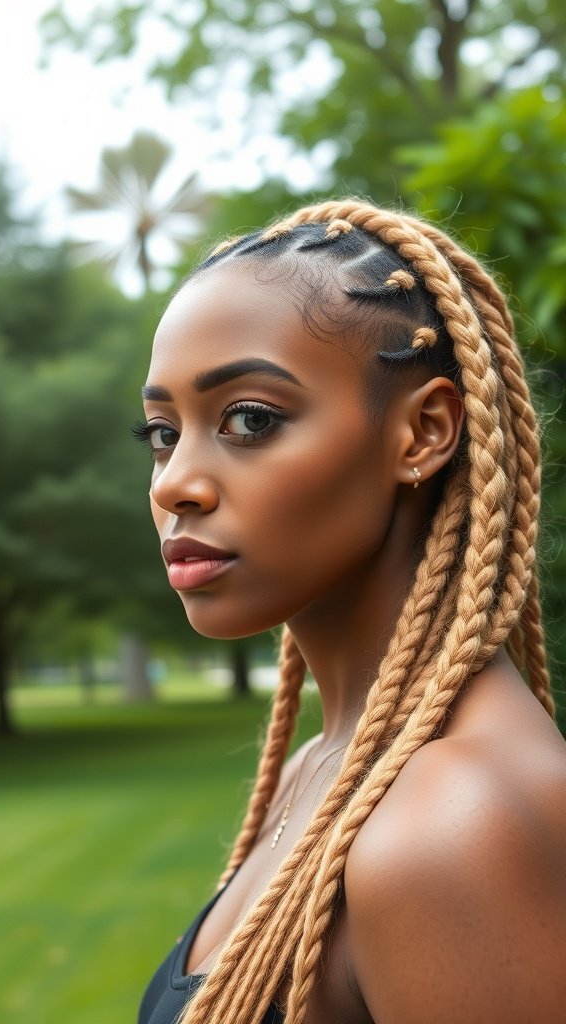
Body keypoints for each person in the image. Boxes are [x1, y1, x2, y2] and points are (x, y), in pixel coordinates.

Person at [135, 198, 566, 1024]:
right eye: (160, 432)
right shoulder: (322, 769)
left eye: (249, 419)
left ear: (423, 433)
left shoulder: (450, 822)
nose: (172, 484)